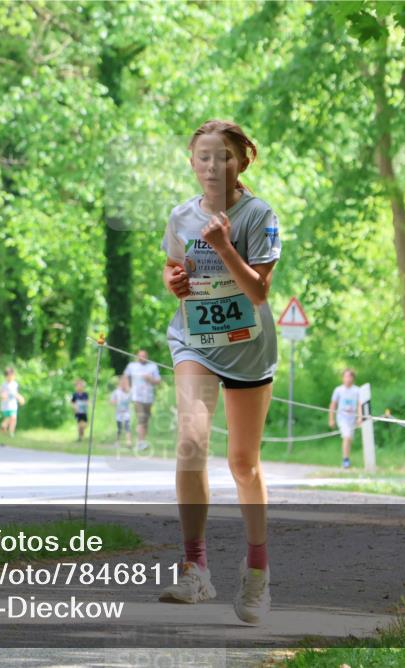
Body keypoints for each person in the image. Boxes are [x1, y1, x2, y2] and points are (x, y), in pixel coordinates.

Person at [157, 119, 281, 625]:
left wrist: (225, 246)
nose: (213, 166)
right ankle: (196, 568)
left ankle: (257, 573)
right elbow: (171, 269)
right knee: (190, 442)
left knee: (243, 464)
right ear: (192, 163)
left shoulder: (260, 216)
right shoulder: (180, 217)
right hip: (195, 341)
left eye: (224, 157)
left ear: (242, 162)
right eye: (204, 157)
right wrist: (176, 282)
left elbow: (259, 293)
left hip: (246, 345)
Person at [123, 350, 162, 452]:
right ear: (137, 356)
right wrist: (127, 388)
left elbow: (158, 381)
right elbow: (125, 376)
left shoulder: (153, 367)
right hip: (137, 397)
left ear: (147, 356)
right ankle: (140, 442)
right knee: (141, 418)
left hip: (148, 398)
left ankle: (142, 441)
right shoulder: (132, 366)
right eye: (140, 356)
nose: (142, 357)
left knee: (145, 421)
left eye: (144, 356)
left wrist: (150, 379)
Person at [328, 369, 362, 469]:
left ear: (353, 378)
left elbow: (360, 404)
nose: (347, 379)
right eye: (345, 376)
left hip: (352, 418)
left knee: (349, 439)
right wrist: (331, 419)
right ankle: (345, 460)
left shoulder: (357, 390)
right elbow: (333, 405)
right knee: (346, 436)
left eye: (349, 376)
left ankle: (347, 457)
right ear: (343, 378)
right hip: (342, 418)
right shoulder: (338, 390)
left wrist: (360, 417)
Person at [0, 367, 25, 437]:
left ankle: (11, 432)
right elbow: (1, 394)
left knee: (13, 418)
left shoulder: (15, 384)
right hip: (6, 405)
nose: (10, 377)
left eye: (12, 376)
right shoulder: (4, 385)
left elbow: (16, 393)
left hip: (13, 405)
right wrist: (3, 396)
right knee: (8, 418)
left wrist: (20, 398)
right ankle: (3, 426)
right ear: (6, 376)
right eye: (9, 376)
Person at [110, 374, 133, 448]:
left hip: (127, 412)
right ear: (119, 383)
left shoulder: (130, 391)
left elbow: (133, 399)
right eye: (122, 382)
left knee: (127, 427)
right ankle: (117, 442)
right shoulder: (116, 392)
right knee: (119, 428)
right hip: (119, 413)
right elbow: (112, 401)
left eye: (125, 382)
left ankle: (128, 442)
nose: (123, 384)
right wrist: (114, 402)